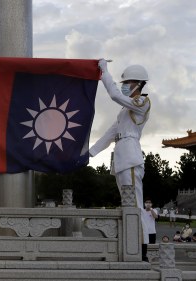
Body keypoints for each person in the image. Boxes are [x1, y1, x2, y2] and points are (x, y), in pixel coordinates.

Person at [89, 60, 150, 260]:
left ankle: (141, 249)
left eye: (129, 82)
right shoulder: (125, 110)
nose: (125, 85)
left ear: (139, 85)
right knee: (128, 205)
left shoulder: (142, 102)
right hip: (122, 158)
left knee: (135, 205)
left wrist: (104, 72)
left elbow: (114, 94)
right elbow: (110, 134)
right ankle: (131, 245)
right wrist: (90, 153)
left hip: (131, 158)